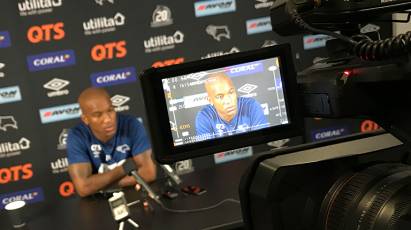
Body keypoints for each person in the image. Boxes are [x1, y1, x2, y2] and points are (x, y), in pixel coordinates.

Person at [67, 87, 156, 197]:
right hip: (98, 204)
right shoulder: (77, 136)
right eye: (98, 115)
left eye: (110, 110)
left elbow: (149, 173)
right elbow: (84, 188)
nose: (108, 119)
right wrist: (124, 168)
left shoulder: (131, 124)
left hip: (133, 196)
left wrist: (100, 184)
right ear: (85, 119)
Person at [195, 72, 268, 140]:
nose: (228, 101)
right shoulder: (204, 116)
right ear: (210, 100)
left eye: (231, 92)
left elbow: (261, 141)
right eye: (220, 96)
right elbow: (208, 150)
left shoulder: (251, 106)